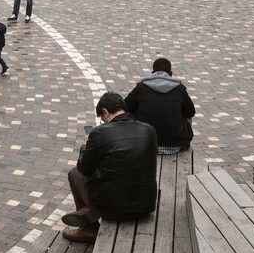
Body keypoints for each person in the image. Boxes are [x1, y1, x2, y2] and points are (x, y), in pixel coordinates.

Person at [61, 92, 158, 243]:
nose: (104, 123)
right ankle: (87, 212)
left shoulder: (100, 133)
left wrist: (87, 145)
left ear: (105, 112)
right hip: (146, 206)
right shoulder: (149, 130)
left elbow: (84, 169)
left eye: (103, 119)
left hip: (112, 210)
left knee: (74, 174)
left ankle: (89, 228)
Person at [125, 57, 195, 153]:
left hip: (145, 145)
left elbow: (125, 108)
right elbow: (191, 113)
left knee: (133, 111)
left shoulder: (141, 88)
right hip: (176, 145)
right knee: (186, 114)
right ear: (171, 74)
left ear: (152, 72)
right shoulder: (180, 89)